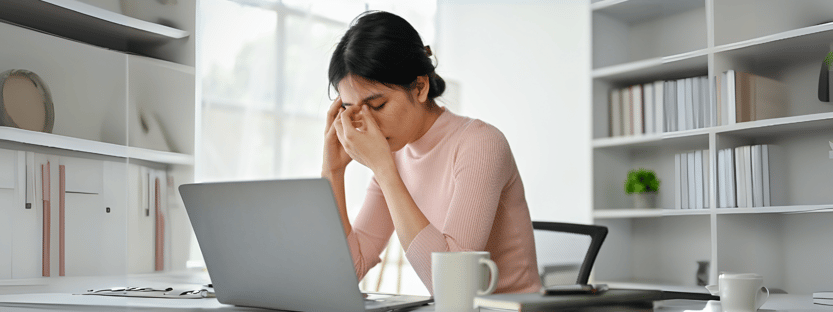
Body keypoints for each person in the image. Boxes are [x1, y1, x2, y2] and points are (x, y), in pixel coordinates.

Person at [322, 11, 541, 294]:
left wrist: (384, 170)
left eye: (377, 106)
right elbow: (347, 272)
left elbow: (452, 287)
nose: (369, 126)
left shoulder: (480, 143)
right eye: (352, 109)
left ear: (421, 87)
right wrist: (332, 172)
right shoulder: (394, 155)